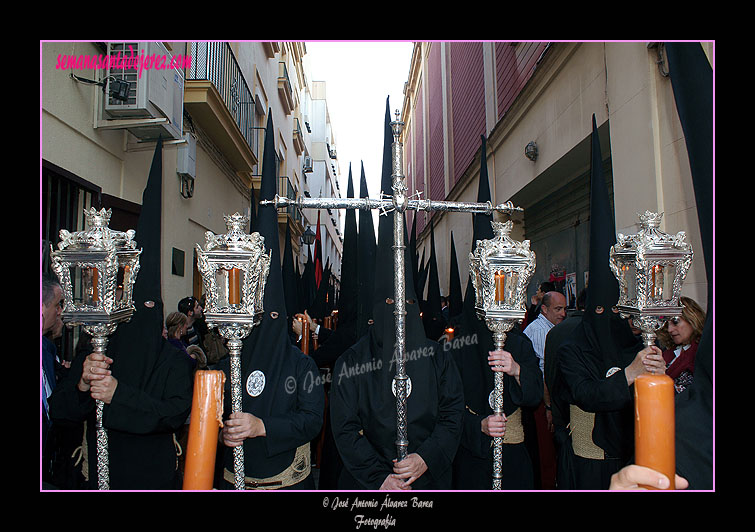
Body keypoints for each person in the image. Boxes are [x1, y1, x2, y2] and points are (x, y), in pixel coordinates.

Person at [329, 98, 464, 490]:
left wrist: (426, 458)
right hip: (371, 486)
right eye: (389, 305)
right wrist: (380, 478)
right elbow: (345, 428)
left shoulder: (437, 356)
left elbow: (453, 412)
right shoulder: (351, 364)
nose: (397, 314)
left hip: (428, 479)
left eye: (404, 305)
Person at [49, 138, 195, 490]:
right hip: (96, 478)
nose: (145, 320)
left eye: (152, 311)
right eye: (138, 309)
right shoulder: (96, 350)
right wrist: (84, 384)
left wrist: (119, 395)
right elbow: (60, 411)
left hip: (153, 481)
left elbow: (172, 414)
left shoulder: (174, 362)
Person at [555, 116, 666, 490]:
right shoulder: (572, 349)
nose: (610, 318)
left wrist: (655, 373)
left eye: (617, 311)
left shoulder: (632, 344)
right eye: (602, 311)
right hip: (589, 466)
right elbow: (587, 394)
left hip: (633, 459)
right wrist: (630, 374)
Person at [217, 112, 324, 490]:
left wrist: (263, 426)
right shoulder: (228, 361)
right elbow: (207, 416)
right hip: (235, 477)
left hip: (285, 479)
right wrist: (222, 433)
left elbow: (312, 420)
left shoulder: (302, 366)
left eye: (273, 316)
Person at [448, 134, 543, 490]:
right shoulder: (455, 347)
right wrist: (479, 426)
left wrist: (517, 370)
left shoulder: (518, 344)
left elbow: (535, 395)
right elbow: (446, 409)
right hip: (472, 461)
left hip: (514, 461)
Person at [655, 296, 705, 394]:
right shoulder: (669, 353)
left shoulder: (702, 354)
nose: (670, 330)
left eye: (675, 322)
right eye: (667, 325)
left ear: (692, 319)